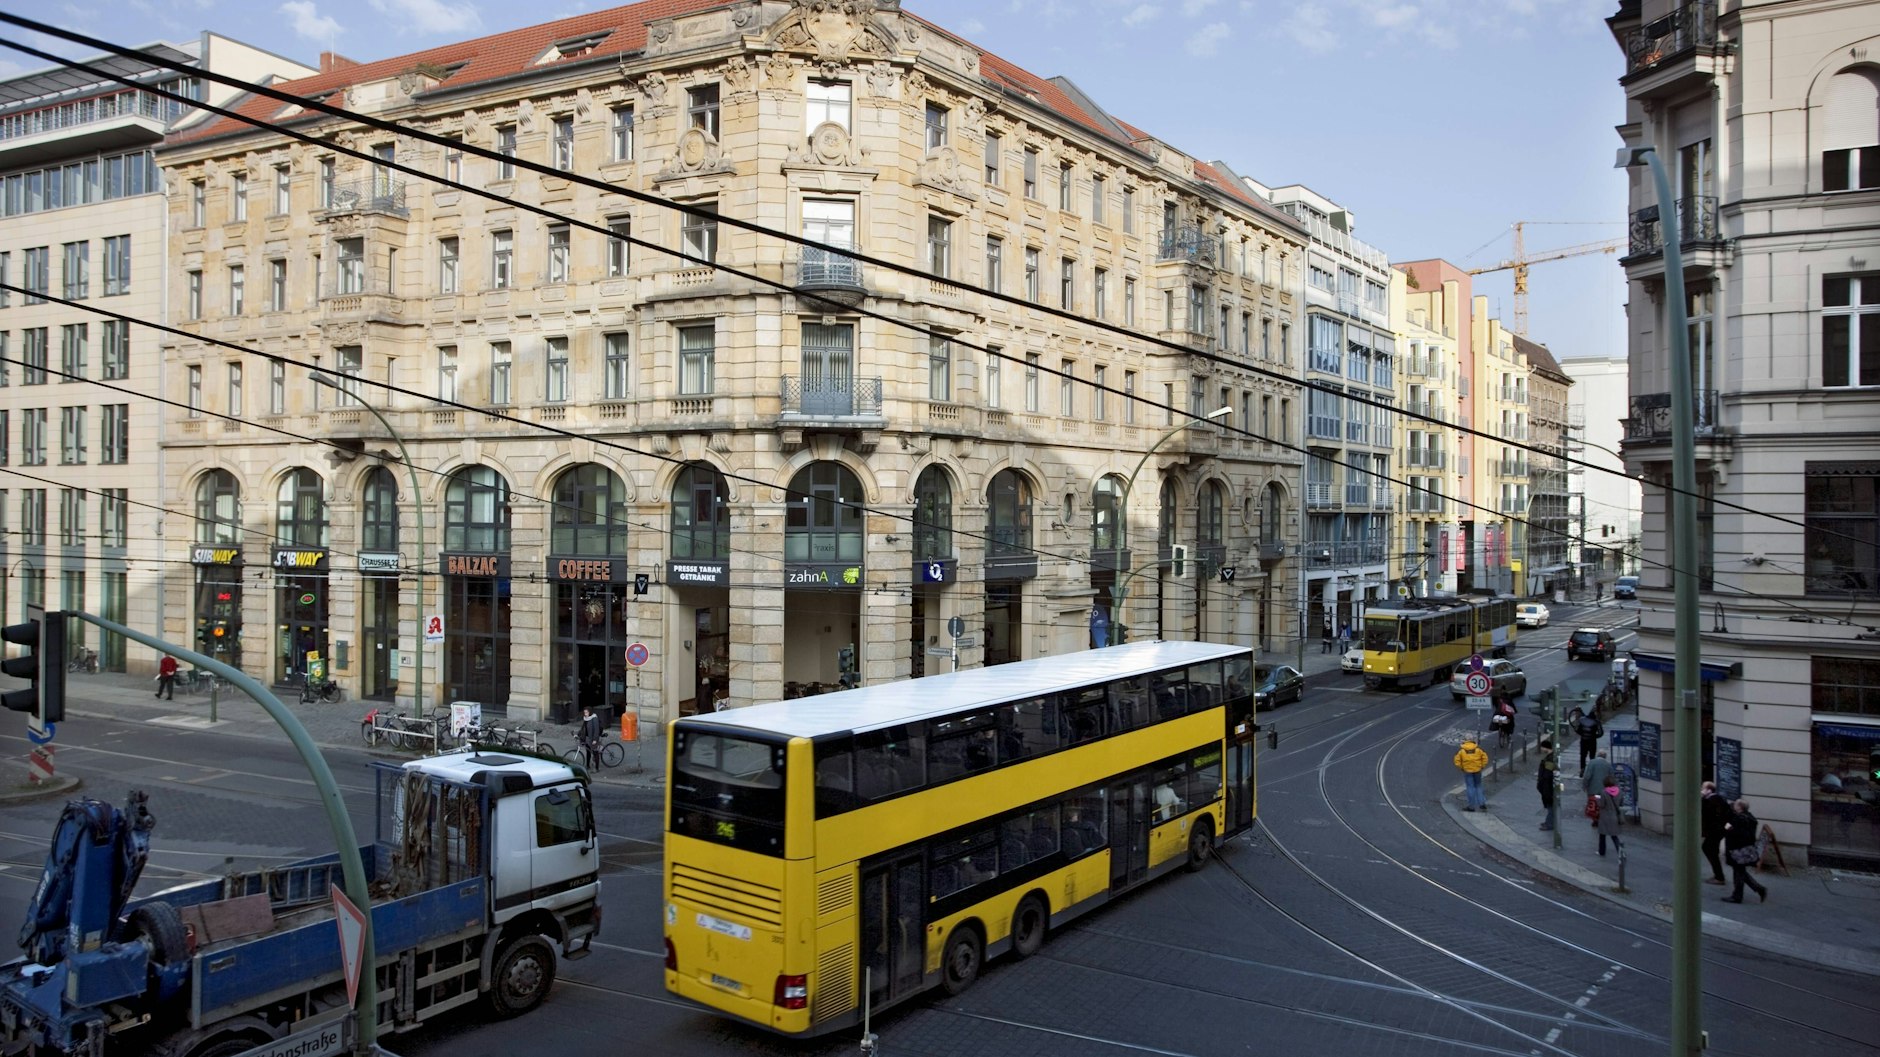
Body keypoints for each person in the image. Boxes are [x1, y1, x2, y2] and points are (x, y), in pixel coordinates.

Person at [1721, 798, 1769, 903]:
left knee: (1738, 872)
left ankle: (1738, 896)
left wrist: (1728, 828)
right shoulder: (1750, 818)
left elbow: (1730, 829)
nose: (1734, 806)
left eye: (1736, 805)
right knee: (1740, 871)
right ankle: (1759, 889)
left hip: (1737, 849)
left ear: (1740, 807)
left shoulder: (1739, 819)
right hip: (1745, 849)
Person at [1699, 780, 1731, 885]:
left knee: (1708, 848)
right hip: (1718, 830)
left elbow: (1705, 812)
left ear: (1709, 790)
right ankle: (1718, 875)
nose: (1701, 790)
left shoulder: (1711, 800)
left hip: (1715, 831)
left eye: (1703, 788)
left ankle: (1719, 877)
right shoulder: (1717, 798)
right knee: (1710, 849)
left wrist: (1702, 798)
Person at [1454, 739, 1489, 812]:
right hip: (1477, 770)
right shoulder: (1478, 749)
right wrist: (1482, 766)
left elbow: (1457, 761)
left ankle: (1471, 806)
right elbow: (1485, 758)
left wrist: (1462, 767)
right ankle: (1482, 803)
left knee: (1470, 787)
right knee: (1478, 786)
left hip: (1467, 771)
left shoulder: (1462, 751)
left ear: (1465, 741)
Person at [1595, 782, 1624, 856]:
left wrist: (1597, 799)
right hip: (1615, 816)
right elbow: (1621, 803)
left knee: (1602, 835)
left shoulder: (1604, 792)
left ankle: (1601, 851)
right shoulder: (1619, 792)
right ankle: (1620, 851)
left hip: (1605, 816)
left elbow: (1602, 805)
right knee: (1614, 836)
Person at [1536, 738, 1558, 831]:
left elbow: (1547, 774)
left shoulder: (1549, 759)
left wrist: (1542, 783)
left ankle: (1549, 823)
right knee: (1550, 805)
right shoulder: (1550, 757)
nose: (1541, 749)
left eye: (1542, 747)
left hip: (1547, 786)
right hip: (1547, 785)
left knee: (1550, 805)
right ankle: (1549, 822)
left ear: (1546, 748)